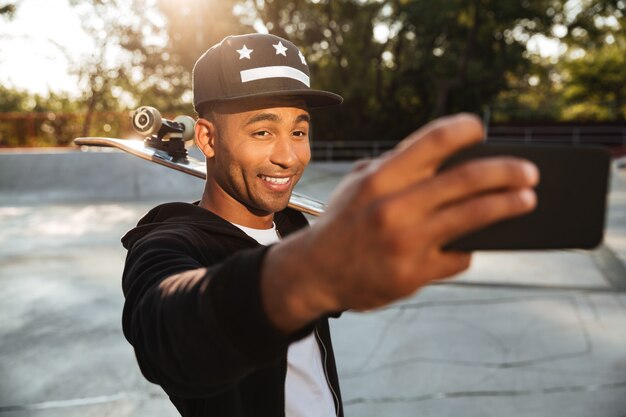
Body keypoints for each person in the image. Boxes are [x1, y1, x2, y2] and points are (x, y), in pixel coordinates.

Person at [121, 33, 539, 417]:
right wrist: (312, 271)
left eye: (299, 131)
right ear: (209, 140)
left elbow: (340, 291)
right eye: (263, 131)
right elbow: (170, 335)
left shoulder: (292, 225)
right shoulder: (167, 243)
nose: (289, 156)